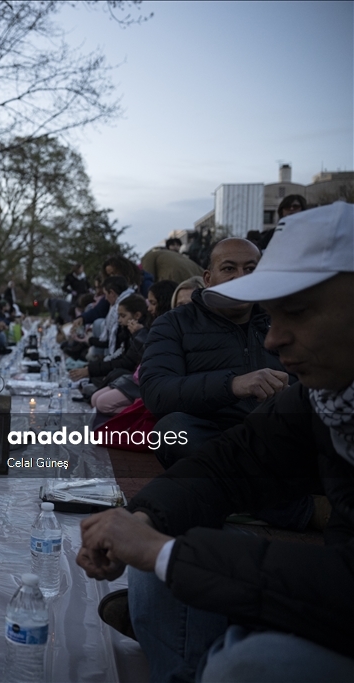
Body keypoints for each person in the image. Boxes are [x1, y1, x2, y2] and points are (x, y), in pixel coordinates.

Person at [77, 202, 354, 683]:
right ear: (206, 275)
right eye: (274, 312)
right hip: (208, 435)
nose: (275, 340)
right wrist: (143, 519)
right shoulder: (325, 396)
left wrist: (170, 555)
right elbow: (226, 456)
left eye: (299, 312)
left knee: (245, 663)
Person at [140, 238, 293, 467]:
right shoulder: (174, 324)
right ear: (208, 279)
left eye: (251, 269)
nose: (240, 277)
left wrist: (293, 395)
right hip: (212, 438)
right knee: (172, 430)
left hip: (276, 436)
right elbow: (156, 391)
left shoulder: (284, 321)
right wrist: (232, 385)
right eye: (229, 268)